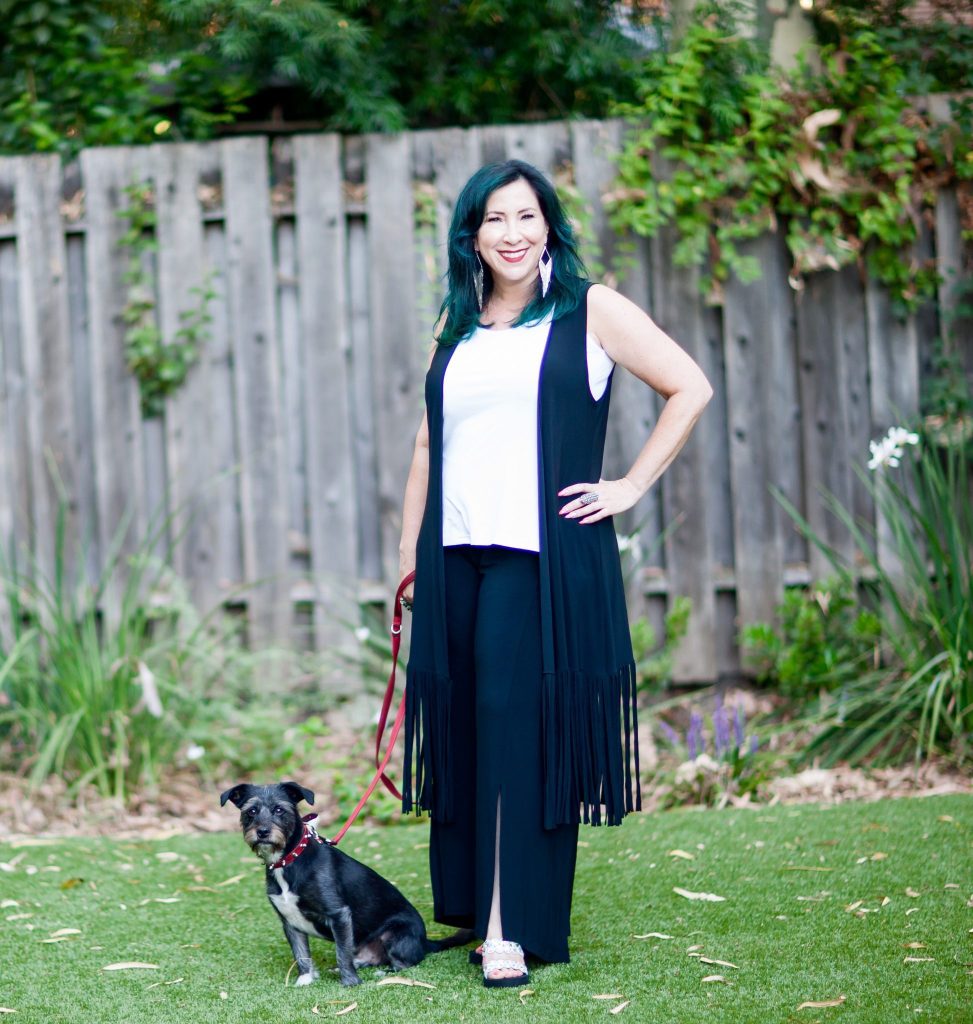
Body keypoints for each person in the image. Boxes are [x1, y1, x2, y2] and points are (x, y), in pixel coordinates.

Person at [396, 159, 712, 988]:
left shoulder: (589, 309)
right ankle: (471, 903)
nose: (512, 233)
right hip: (452, 555)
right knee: (466, 725)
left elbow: (689, 386)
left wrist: (628, 486)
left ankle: (508, 928)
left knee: (510, 727)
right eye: (495, 220)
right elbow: (429, 445)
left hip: (537, 560)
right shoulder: (456, 323)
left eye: (527, 217)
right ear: (471, 234)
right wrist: (407, 558)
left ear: (549, 226)